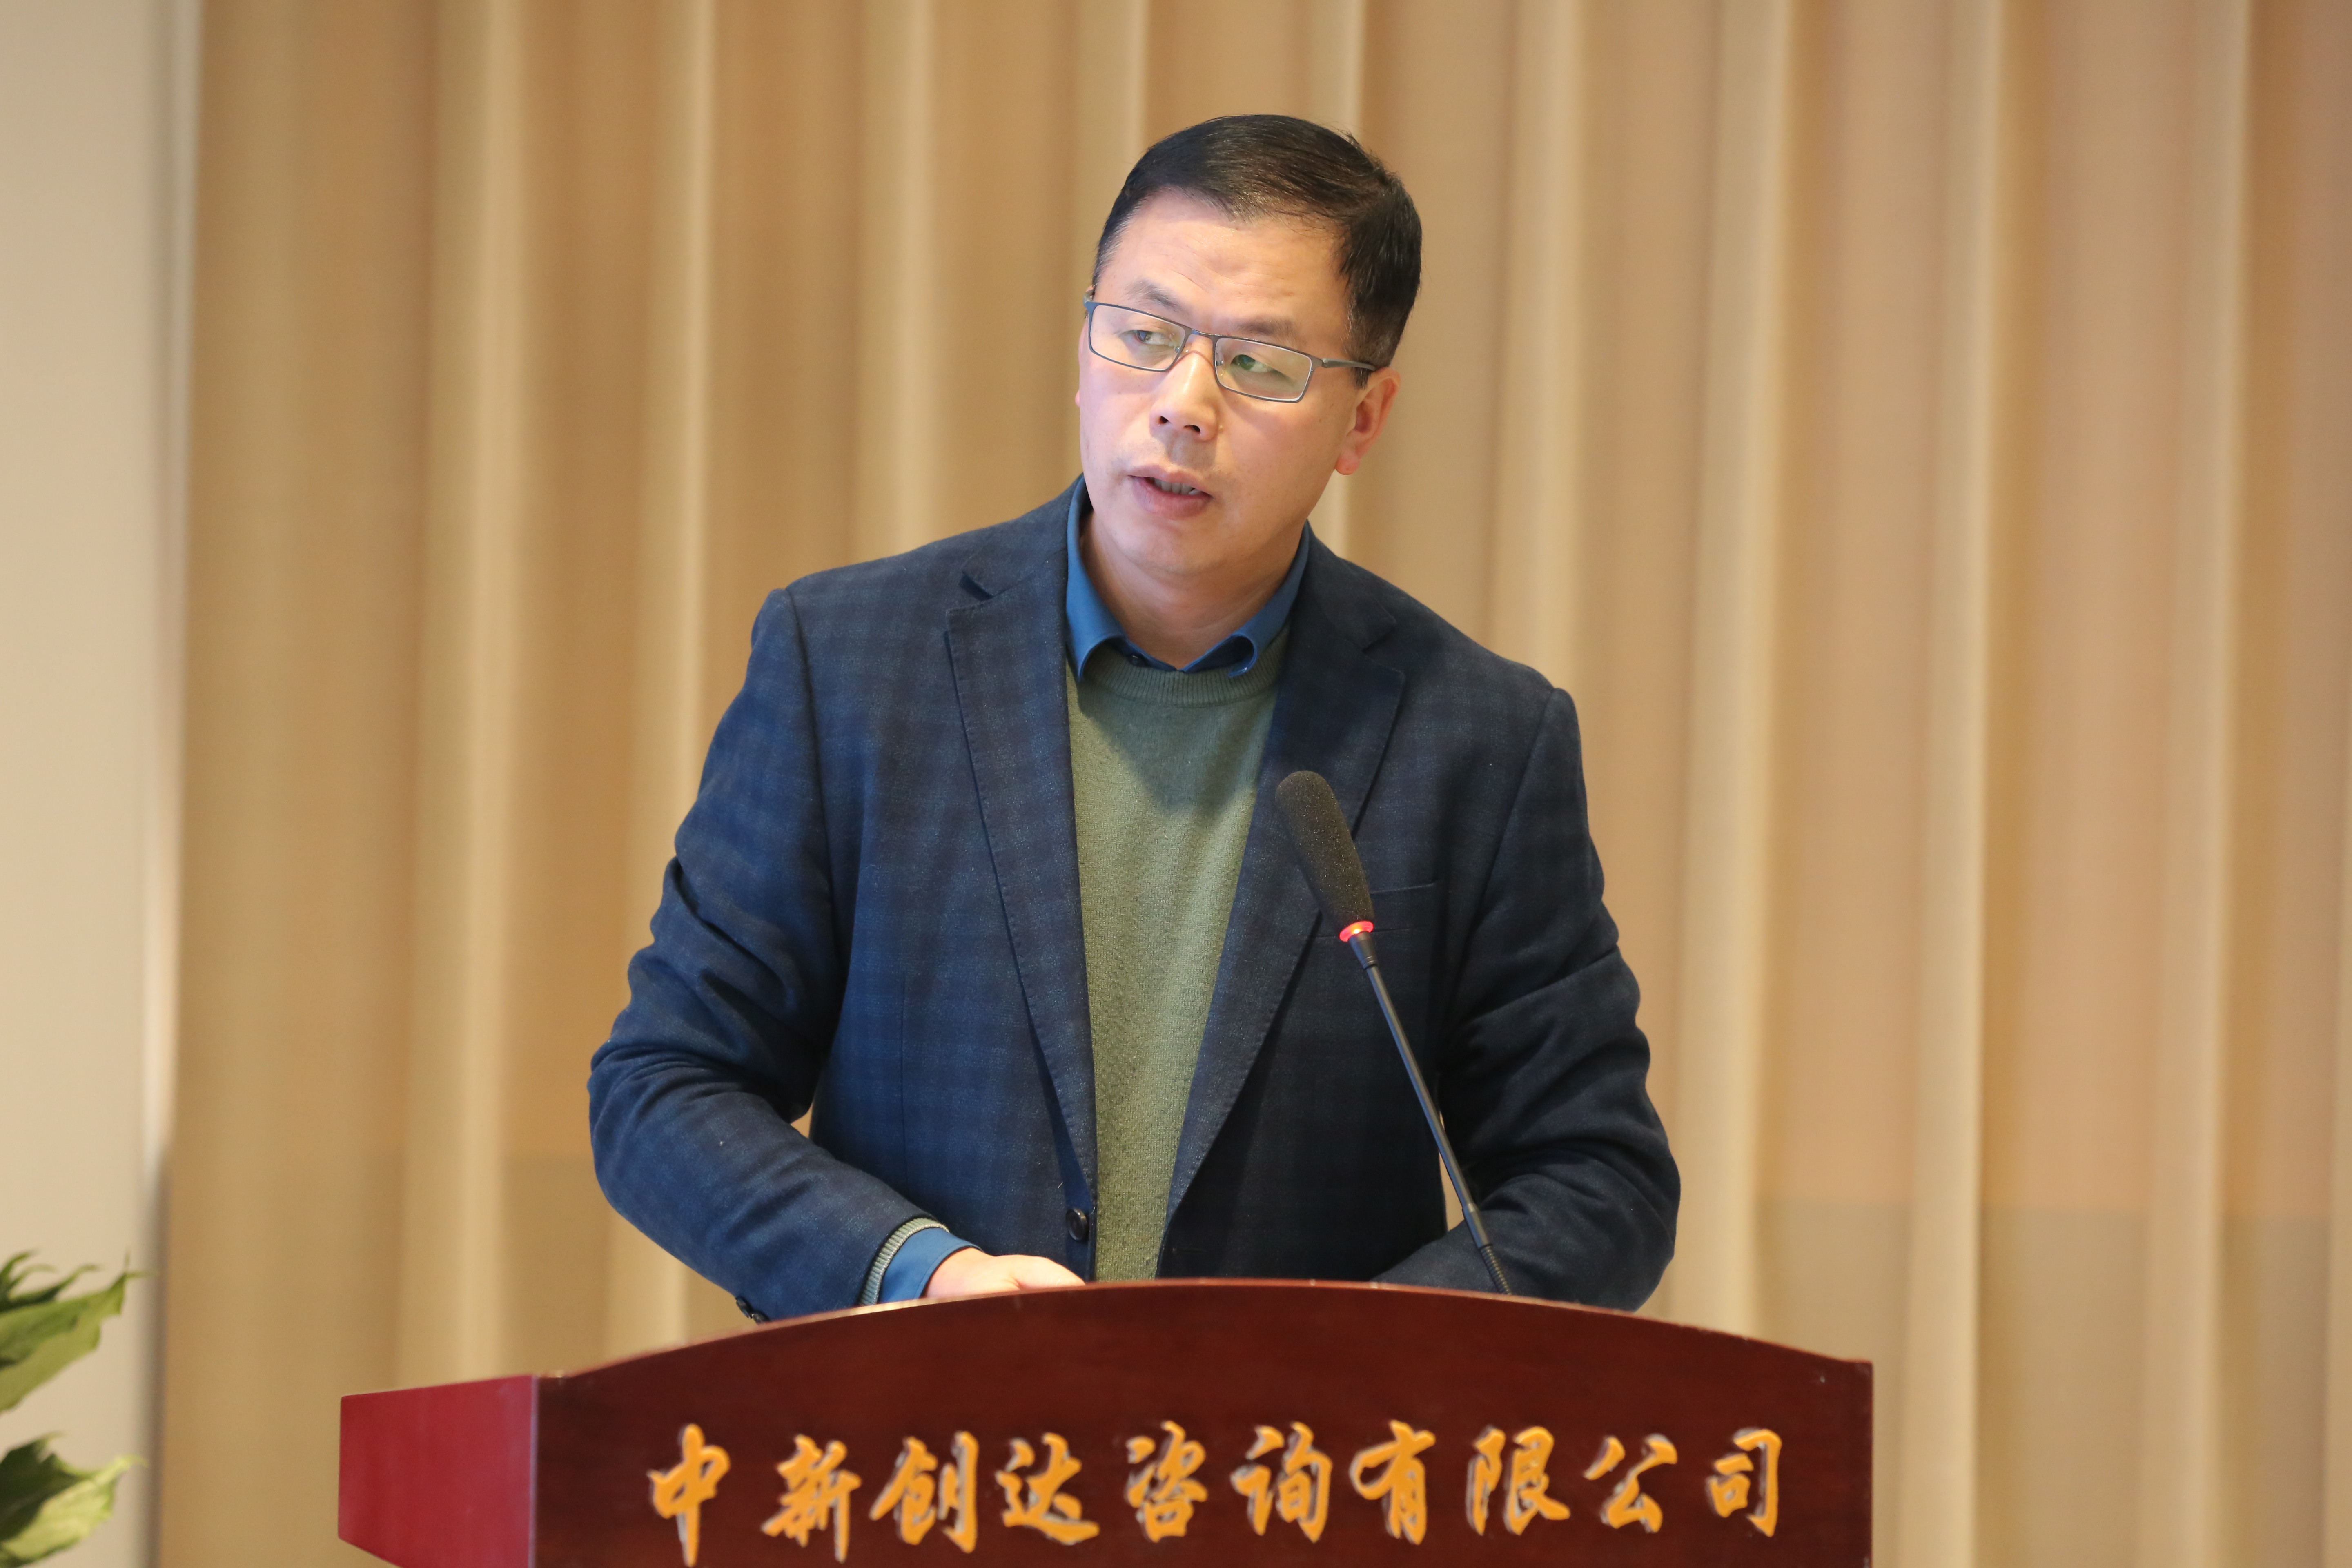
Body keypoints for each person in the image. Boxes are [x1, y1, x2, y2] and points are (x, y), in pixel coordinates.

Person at [588, 114, 1676, 1322]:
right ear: (1084, 344)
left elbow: (1600, 1180)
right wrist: (915, 1273)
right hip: (916, 1419)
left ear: (1363, 419)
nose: (1184, 406)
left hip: (1289, 1438)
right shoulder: (850, 664)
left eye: (1259, 364)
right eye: (1144, 336)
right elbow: (665, 1085)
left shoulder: (1477, 738)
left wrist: (1350, 1359)